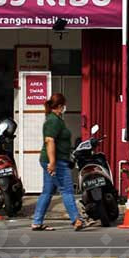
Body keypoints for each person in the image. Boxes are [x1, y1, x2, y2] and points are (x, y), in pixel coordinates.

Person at [31, 93, 87, 231]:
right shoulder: (53, 121)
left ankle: (37, 222)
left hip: (55, 160)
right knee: (67, 190)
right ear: (60, 106)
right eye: (63, 105)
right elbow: (49, 141)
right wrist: (52, 162)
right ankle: (76, 220)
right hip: (56, 161)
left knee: (47, 192)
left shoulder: (56, 119)